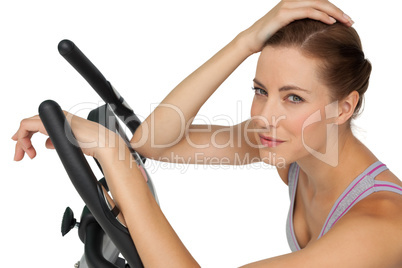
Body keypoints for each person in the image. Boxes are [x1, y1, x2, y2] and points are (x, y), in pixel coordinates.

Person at [12, 0, 402, 267]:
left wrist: (113, 155)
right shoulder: (303, 147)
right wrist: (246, 41)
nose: (265, 117)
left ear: (344, 107)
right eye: (260, 91)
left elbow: (132, 148)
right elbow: (153, 142)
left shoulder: (380, 225)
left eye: (294, 98)